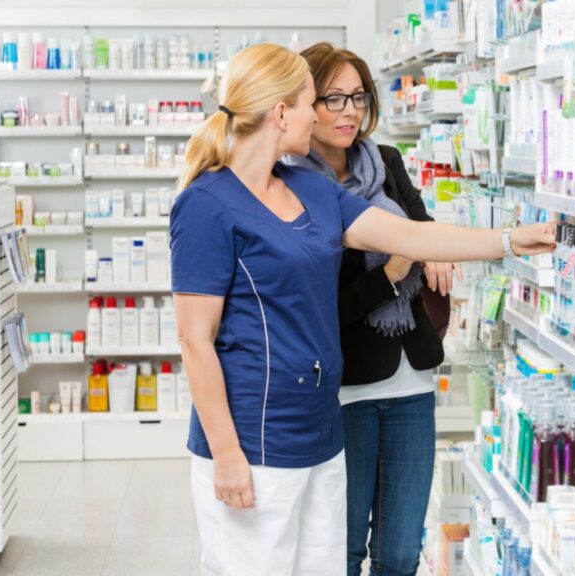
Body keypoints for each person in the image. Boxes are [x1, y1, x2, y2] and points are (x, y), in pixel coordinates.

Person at [171, 43, 554, 576]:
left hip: (320, 433)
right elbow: (195, 340)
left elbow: (411, 235)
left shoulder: (309, 189)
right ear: (281, 113)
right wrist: (226, 454)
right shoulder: (207, 204)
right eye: (312, 103)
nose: (327, 115)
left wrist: (510, 239)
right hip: (254, 439)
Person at [282, 42, 452, 576]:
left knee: (401, 554)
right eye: (334, 99)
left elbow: (424, 232)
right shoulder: (290, 186)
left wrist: (431, 253)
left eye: (358, 97)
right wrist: (392, 273)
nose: (350, 111)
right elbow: (321, 306)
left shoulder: (388, 162)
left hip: (411, 382)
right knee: (345, 550)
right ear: (304, 103)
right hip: (346, 388)